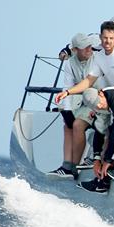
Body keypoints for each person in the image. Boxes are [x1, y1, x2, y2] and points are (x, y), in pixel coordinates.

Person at [54, 21, 114, 105]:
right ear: (101, 37)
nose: (108, 41)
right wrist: (67, 92)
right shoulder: (98, 51)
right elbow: (88, 81)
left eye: (111, 38)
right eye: (105, 38)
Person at [47, 33, 96, 178]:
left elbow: (89, 85)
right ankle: (66, 165)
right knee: (67, 125)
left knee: (77, 126)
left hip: (96, 100)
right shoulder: (70, 63)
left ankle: (74, 167)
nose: (88, 49)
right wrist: (67, 109)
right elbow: (67, 86)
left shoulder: (96, 60)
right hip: (82, 102)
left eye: (89, 46)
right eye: (84, 47)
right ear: (74, 50)